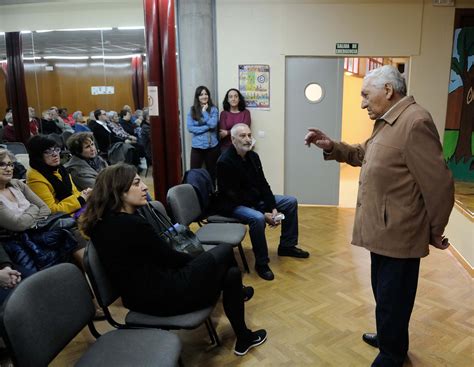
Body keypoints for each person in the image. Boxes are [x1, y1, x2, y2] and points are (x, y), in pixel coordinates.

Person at [304, 65, 454, 367]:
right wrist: (333, 147)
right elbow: (365, 153)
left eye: (365, 94)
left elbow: (439, 184)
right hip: (384, 232)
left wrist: (434, 230)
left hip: (400, 234)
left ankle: (392, 354)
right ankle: (389, 338)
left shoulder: (415, 122)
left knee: (394, 299)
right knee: (385, 295)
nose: (362, 102)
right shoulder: (389, 122)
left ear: (388, 90)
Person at [79, 163, 267, 356]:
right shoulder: (132, 224)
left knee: (231, 273)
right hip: (164, 296)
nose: (144, 187)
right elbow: (171, 259)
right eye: (136, 183)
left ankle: (243, 334)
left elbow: (155, 259)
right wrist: (206, 263)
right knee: (225, 252)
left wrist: (207, 264)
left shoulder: (101, 224)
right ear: (118, 190)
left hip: (140, 297)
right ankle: (243, 330)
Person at [217, 123, 309, 281]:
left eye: (249, 135)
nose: (247, 139)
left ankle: (287, 246)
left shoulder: (253, 157)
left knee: (290, 202)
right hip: (234, 205)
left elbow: (263, 184)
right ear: (233, 140)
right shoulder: (224, 162)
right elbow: (233, 196)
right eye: (242, 136)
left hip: (255, 200)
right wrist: (262, 213)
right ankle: (261, 263)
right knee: (258, 219)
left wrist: (272, 208)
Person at [25, 135, 91, 217]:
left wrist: (84, 194)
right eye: (48, 151)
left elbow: (74, 193)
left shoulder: (59, 168)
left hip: (77, 212)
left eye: (56, 150)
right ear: (38, 156)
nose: (55, 154)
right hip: (64, 221)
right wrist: (81, 199)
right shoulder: (34, 177)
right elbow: (51, 210)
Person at [187, 86, 220, 181]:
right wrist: (207, 127)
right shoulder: (192, 110)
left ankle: (212, 194)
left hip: (212, 147)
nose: (204, 96)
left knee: (212, 174)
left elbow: (213, 124)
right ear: (197, 97)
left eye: (206, 94)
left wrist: (204, 112)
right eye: (201, 94)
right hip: (197, 147)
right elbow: (190, 128)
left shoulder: (213, 109)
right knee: (194, 174)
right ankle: (195, 194)